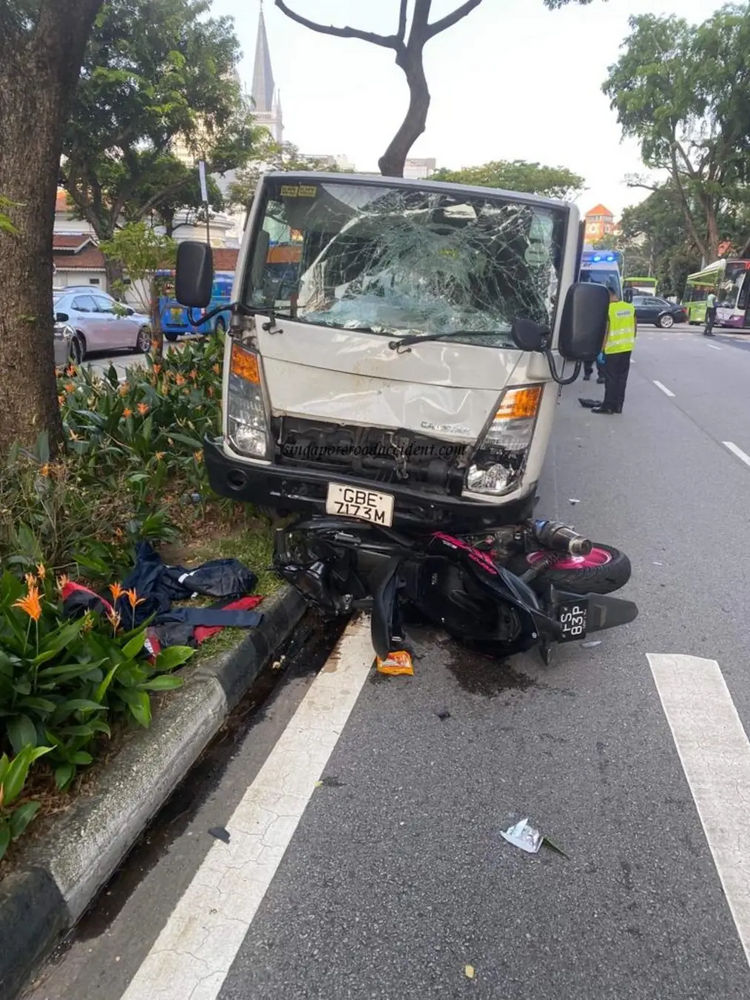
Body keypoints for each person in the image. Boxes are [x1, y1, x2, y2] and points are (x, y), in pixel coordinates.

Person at [592, 289, 636, 415]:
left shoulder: (609, 310)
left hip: (612, 349)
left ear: (608, 297)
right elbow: (635, 328)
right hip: (627, 348)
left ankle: (608, 406)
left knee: (611, 379)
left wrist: (601, 350)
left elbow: (606, 331)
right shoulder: (630, 308)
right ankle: (618, 406)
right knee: (622, 378)